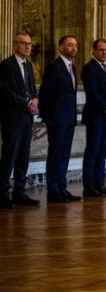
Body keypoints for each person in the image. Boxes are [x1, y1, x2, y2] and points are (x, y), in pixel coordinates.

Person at [0, 33, 40, 208]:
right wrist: (25, 103)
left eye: (29, 44)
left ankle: (19, 192)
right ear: (15, 45)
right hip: (12, 118)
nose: (27, 47)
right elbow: (4, 92)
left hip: (27, 118)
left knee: (23, 156)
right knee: (9, 156)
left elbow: (32, 89)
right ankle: (2, 194)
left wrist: (35, 100)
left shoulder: (28, 65)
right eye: (23, 43)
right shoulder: (6, 65)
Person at [39, 35, 81, 203]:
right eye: (69, 45)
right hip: (56, 120)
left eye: (75, 45)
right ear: (61, 48)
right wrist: (47, 116)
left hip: (69, 119)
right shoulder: (54, 67)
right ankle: (53, 190)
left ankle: (62, 188)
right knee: (55, 154)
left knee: (64, 155)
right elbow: (45, 92)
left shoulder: (73, 67)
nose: (73, 48)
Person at [81, 39, 106, 197]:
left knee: (103, 152)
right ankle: (89, 187)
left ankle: (100, 184)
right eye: (101, 50)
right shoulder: (89, 68)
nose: (104, 52)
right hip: (96, 117)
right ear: (93, 51)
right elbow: (92, 93)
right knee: (92, 152)